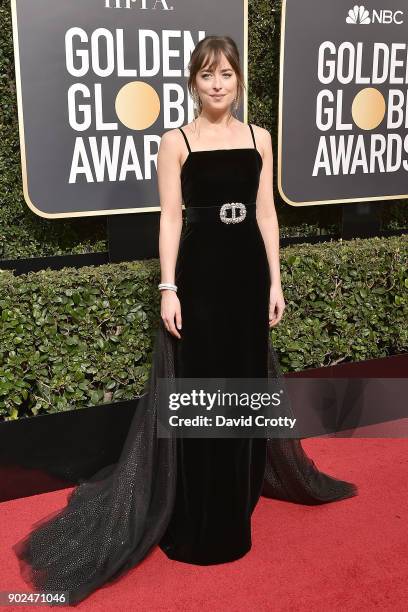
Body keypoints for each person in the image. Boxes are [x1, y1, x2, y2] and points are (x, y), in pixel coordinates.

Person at [13, 35, 358, 605]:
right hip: (198, 280)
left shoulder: (258, 138)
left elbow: (267, 213)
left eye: (226, 74)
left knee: (244, 387)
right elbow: (170, 219)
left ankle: (235, 496)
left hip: (247, 276)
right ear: (192, 83)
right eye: (206, 76)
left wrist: (275, 281)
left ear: (239, 81)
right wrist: (168, 287)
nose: (217, 84)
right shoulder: (174, 141)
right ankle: (199, 512)